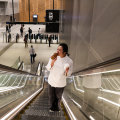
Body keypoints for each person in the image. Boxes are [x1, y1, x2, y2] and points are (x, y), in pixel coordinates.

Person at [46, 43, 73, 112]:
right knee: (51, 96)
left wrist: (66, 71)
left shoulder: (69, 61)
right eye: (57, 49)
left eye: (59, 50)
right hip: (51, 80)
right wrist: (52, 62)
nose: (57, 51)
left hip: (60, 83)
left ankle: (57, 108)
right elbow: (48, 68)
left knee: (58, 97)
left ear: (65, 52)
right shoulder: (53, 57)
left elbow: (69, 74)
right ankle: (51, 108)